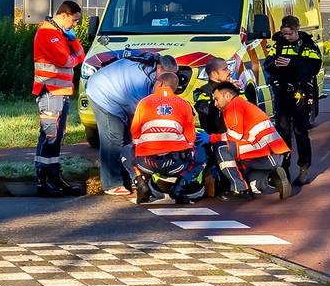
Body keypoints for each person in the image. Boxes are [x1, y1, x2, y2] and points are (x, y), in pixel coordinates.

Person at [86, 51, 179, 196]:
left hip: (118, 92)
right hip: (102, 92)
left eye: (173, 76)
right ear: (159, 69)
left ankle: (127, 178)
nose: (170, 79)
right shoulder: (139, 80)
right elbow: (140, 114)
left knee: (127, 139)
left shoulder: (153, 74)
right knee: (113, 138)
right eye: (167, 75)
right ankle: (111, 183)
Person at [32, 0, 87, 197]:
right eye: (74, 20)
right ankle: (43, 179)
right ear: (64, 15)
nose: (75, 25)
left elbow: (80, 55)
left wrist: (72, 40)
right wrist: (72, 58)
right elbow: (65, 60)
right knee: (49, 136)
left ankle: (53, 176)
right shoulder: (48, 33)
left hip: (60, 92)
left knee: (56, 138)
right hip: (50, 92)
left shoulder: (60, 34)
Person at [262, 15, 322, 185]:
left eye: (289, 34)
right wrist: (276, 64)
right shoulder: (277, 43)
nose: (286, 37)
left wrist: (291, 63)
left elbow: (314, 66)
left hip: (300, 93)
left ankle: (304, 167)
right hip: (281, 91)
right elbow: (268, 63)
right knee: (282, 131)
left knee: (300, 131)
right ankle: (284, 169)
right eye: (284, 34)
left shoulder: (308, 44)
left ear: (296, 31)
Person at [210, 81, 292, 199]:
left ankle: (239, 187)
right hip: (273, 155)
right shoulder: (242, 104)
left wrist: (211, 138)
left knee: (222, 147)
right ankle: (272, 179)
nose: (215, 104)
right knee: (254, 185)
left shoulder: (233, 107)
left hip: (265, 153)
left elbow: (234, 137)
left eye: (216, 99)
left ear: (227, 95)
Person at [128, 72, 199, 204]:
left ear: (160, 84)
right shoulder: (184, 104)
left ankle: (141, 183)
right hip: (177, 163)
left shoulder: (144, 103)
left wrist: (140, 148)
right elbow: (190, 136)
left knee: (126, 151)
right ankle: (180, 186)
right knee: (201, 154)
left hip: (145, 163)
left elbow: (135, 131)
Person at [191, 56, 247, 195]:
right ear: (214, 74)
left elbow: (245, 109)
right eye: (225, 69)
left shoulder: (232, 88)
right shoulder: (203, 91)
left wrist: (236, 91)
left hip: (235, 134)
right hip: (213, 137)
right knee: (222, 150)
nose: (229, 72)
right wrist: (222, 96)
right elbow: (206, 114)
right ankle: (227, 184)